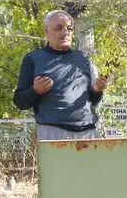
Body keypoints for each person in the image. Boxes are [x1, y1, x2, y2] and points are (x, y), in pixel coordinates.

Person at [13, 9, 109, 140]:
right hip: (53, 134)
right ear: (46, 31)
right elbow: (20, 102)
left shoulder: (83, 59)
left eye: (69, 28)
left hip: (88, 134)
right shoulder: (33, 60)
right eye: (58, 28)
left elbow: (93, 101)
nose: (65, 33)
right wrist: (35, 91)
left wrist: (97, 90)